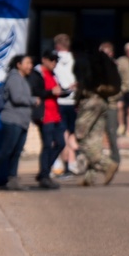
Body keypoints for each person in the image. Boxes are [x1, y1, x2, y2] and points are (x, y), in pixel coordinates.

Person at [0, 55, 38, 190]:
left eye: (31, 63)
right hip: (12, 120)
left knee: (16, 151)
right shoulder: (14, 78)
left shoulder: (23, 79)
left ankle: (12, 180)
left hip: (22, 121)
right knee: (6, 150)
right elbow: (17, 98)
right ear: (19, 64)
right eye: (28, 63)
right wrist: (33, 100)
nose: (30, 66)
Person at [74, 45, 122, 186]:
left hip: (90, 101)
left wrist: (77, 99)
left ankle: (106, 165)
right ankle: (90, 176)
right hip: (103, 101)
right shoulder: (101, 61)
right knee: (95, 138)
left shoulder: (83, 61)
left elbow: (82, 82)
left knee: (80, 136)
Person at [36, 50, 67, 189]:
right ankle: (45, 176)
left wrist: (67, 91)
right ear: (44, 60)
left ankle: (44, 171)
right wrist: (50, 92)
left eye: (56, 60)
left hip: (56, 114)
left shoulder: (53, 74)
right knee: (47, 145)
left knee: (61, 143)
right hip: (45, 115)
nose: (54, 63)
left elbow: (57, 91)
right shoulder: (38, 74)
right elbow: (35, 92)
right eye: (52, 60)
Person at [52, 34, 79, 175]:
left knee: (61, 133)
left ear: (57, 46)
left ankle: (60, 162)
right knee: (72, 133)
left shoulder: (53, 60)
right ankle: (72, 161)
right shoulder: (74, 60)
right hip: (73, 100)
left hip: (59, 100)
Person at [98, 42, 122, 166]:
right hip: (98, 104)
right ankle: (97, 158)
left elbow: (121, 87)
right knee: (96, 132)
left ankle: (115, 158)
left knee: (111, 132)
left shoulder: (116, 67)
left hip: (111, 104)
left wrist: (113, 96)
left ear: (111, 54)